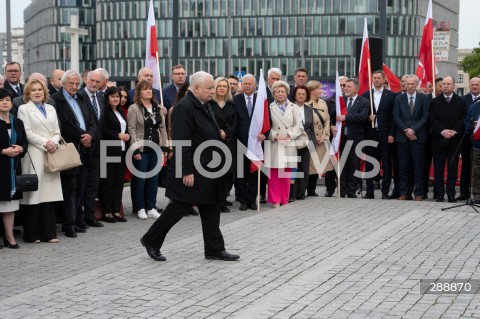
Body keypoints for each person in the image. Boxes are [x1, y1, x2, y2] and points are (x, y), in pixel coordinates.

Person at [141, 71, 240, 262]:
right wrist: (186, 170)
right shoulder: (184, 107)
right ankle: (151, 240)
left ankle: (214, 248)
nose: (213, 91)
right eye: (209, 88)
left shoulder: (205, 104)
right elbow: (181, 141)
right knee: (179, 206)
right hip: (192, 169)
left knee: (211, 206)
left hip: (209, 167)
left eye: (213, 87)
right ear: (196, 88)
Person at [17, 79, 63, 243]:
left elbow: (57, 130)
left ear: (45, 92)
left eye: (40, 90)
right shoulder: (24, 109)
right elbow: (27, 133)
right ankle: (32, 235)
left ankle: (49, 234)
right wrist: (46, 143)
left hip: (52, 153)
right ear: (28, 93)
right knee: (34, 195)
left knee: (49, 195)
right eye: (34, 90)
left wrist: (54, 142)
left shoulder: (50, 107)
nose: (37, 92)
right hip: (35, 153)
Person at [52, 70, 96, 238]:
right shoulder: (57, 100)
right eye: (71, 83)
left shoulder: (82, 98)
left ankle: (78, 220)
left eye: (77, 84)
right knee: (70, 189)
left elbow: (93, 120)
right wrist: (82, 136)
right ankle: (68, 224)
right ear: (63, 84)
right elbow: (63, 124)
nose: (74, 87)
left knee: (81, 188)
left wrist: (90, 135)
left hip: (85, 149)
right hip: (69, 149)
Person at [127, 80, 168, 220]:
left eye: (150, 89)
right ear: (139, 93)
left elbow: (162, 127)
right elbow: (131, 129)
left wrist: (164, 146)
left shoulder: (157, 107)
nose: (148, 91)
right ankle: (140, 208)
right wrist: (135, 150)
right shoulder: (134, 108)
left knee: (153, 180)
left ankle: (151, 207)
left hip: (155, 148)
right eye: (145, 89)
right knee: (140, 180)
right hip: (141, 148)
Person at [265, 80, 304, 208]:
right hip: (275, 143)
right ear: (273, 93)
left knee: (286, 173)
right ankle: (275, 200)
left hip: (289, 142)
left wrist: (289, 135)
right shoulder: (268, 107)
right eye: (277, 91)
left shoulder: (294, 107)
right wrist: (274, 135)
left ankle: (284, 199)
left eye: (282, 91)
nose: (280, 93)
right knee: (275, 174)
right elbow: (264, 125)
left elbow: (299, 125)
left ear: (287, 93)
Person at [430, 76, 467, 203]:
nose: (445, 86)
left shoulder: (461, 101)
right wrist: (443, 131)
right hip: (438, 140)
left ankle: (451, 194)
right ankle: (440, 194)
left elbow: (463, 119)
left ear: (453, 86)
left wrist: (453, 131)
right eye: (443, 84)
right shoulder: (434, 101)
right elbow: (432, 119)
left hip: (454, 140)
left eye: (448, 84)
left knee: (452, 168)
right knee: (439, 169)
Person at [393, 74, 430, 201]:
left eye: (412, 84)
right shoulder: (399, 98)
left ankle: (418, 193)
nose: (409, 86)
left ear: (416, 85)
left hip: (418, 138)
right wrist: (406, 131)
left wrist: (414, 130)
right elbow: (396, 116)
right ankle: (404, 193)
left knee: (418, 167)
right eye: (407, 84)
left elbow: (425, 116)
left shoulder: (423, 98)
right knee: (403, 167)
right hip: (402, 139)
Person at [362, 70, 397, 199]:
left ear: (383, 80)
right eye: (374, 78)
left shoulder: (391, 95)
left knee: (387, 164)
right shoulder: (366, 95)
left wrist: (392, 134)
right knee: (370, 164)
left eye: (378, 78)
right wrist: (367, 117)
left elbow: (394, 117)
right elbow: (361, 114)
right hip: (370, 134)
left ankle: (385, 191)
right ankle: (369, 191)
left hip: (385, 135)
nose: (376, 80)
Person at [77, 70, 105, 228]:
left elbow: (101, 123)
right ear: (85, 80)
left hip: (98, 148)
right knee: (82, 185)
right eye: (92, 80)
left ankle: (90, 216)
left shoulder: (100, 97)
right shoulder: (80, 96)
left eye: (97, 81)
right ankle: (79, 218)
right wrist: (87, 138)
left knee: (93, 184)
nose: (94, 83)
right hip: (83, 146)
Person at [0, 88, 27, 249]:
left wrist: (20, 149)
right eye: (1, 100)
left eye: (7, 100)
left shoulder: (17, 122)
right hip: (0, 167)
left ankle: (9, 236)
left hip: (13, 169)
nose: (5, 102)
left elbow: (25, 142)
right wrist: (3, 151)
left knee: (10, 206)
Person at [335, 78, 370, 198]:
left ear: (356, 88)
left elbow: (363, 116)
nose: (345, 88)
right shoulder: (341, 100)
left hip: (356, 139)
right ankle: (342, 189)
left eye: (348, 86)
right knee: (342, 164)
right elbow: (333, 114)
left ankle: (351, 190)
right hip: (342, 139)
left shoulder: (364, 101)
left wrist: (346, 117)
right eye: (345, 86)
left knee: (354, 165)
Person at [99, 87, 129, 223]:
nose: (116, 99)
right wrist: (117, 135)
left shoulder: (121, 112)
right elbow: (103, 130)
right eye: (113, 97)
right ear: (107, 98)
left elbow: (124, 128)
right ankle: (107, 212)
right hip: (108, 150)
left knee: (118, 182)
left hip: (121, 150)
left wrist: (126, 135)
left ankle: (116, 210)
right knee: (108, 183)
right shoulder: (105, 112)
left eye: (118, 96)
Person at [211, 77, 237, 213]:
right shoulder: (209, 104)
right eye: (219, 86)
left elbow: (235, 124)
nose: (222, 88)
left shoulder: (232, 105)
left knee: (227, 174)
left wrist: (226, 132)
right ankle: (215, 202)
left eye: (224, 86)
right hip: (213, 143)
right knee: (215, 174)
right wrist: (217, 132)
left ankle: (223, 200)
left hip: (228, 142)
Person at [233, 74, 259, 211]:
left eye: (250, 84)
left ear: (255, 85)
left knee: (254, 173)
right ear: (241, 85)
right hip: (240, 141)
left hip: (256, 143)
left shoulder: (261, 100)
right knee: (241, 173)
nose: (247, 86)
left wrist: (264, 134)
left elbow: (267, 120)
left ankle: (252, 200)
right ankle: (243, 200)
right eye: (245, 83)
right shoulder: (235, 99)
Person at [306, 80, 334, 196]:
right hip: (309, 138)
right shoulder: (304, 103)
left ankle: (320, 189)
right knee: (309, 164)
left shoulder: (323, 103)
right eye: (319, 89)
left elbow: (327, 120)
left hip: (322, 139)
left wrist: (325, 135)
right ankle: (308, 190)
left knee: (322, 164)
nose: (321, 91)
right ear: (312, 91)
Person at [289, 85, 314, 200]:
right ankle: (291, 194)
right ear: (294, 95)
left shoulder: (309, 109)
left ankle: (301, 192)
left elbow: (311, 127)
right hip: (293, 141)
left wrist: (311, 141)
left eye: (304, 94)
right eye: (299, 94)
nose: (301, 96)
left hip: (306, 142)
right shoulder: (290, 107)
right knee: (293, 167)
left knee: (304, 167)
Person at [458, 77, 480, 201]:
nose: (475, 86)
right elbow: (465, 120)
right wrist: (472, 127)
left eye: (477, 84)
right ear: (469, 85)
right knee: (470, 169)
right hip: (470, 142)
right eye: (473, 84)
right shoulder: (469, 104)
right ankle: (470, 194)